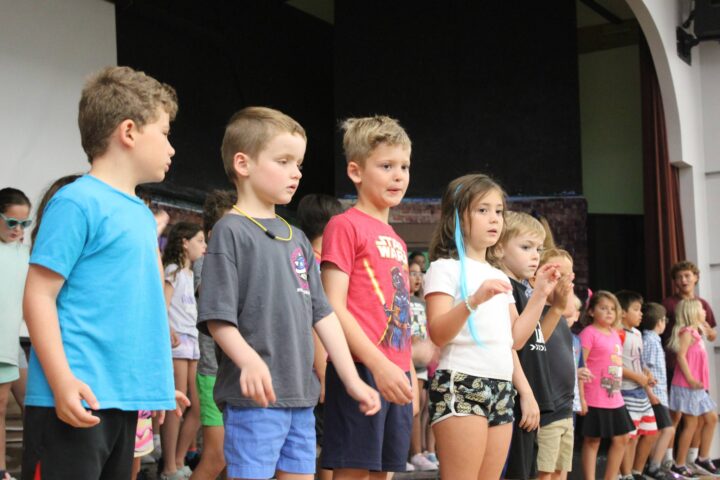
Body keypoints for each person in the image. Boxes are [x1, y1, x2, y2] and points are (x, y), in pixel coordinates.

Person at [198, 107, 380, 480]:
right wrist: (248, 360)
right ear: (243, 163)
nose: (296, 171)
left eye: (298, 162)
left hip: (301, 398)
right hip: (255, 401)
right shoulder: (229, 232)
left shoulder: (295, 237)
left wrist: (349, 378)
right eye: (283, 161)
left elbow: (323, 314)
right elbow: (218, 317)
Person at [21, 66, 179, 479]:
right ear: (128, 131)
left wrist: (156, 387)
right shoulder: (77, 202)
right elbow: (39, 296)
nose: (172, 147)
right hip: (76, 398)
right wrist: (61, 382)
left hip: (125, 400)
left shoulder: (143, 217)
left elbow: (140, 309)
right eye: (164, 133)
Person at [423, 173, 561, 479]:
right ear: (458, 216)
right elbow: (438, 332)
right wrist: (473, 300)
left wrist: (539, 295)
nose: (494, 219)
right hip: (461, 381)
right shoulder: (445, 268)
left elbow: (515, 340)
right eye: (482, 210)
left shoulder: (498, 275)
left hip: (500, 386)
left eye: (498, 211)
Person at [318, 115, 416, 479]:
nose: (398, 175)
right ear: (356, 172)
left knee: (384, 473)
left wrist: (405, 373)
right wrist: (378, 365)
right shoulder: (344, 225)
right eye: (386, 165)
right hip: (361, 367)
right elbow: (332, 305)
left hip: (396, 371)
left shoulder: (398, 239)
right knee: (354, 472)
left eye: (404, 166)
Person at [491, 212, 567, 480]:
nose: (535, 255)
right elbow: (512, 342)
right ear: (499, 248)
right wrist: (525, 393)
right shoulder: (503, 288)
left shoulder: (523, 289)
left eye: (538, 249)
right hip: (515, 400)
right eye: (526, 247)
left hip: (529, 401)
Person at [295, 192, 343, 480]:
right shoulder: (319, 265)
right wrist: (324, 373)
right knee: (326, 446)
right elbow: (316, 322)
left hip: (316, 366)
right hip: (321, 367)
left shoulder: (304, 259)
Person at [190, 189, 236, 480]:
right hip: (212, 373)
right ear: (209, 233)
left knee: (235, 457)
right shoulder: (204, 264)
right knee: (216, 457)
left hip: (235, 376)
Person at [160, 222, 207, 480]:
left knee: (197, 405)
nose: (204, 246)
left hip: (193, 341)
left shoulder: (191, 275)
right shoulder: (173, 272)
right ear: (184, 242)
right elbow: (162, 305)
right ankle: (168, 466)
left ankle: (178, 459)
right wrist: (168, 329)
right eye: (199, 240)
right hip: (177, 343)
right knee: (177, 403)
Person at [578, 291, 634, 480]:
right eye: (603, 308)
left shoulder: (615, 333)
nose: (609, 312)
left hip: (614, 396)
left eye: (612, 309)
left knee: (622, 438)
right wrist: (582, 398)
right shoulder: (588, 333)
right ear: (592, 311)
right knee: (593, 440)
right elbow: (579, 365)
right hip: (594, 396)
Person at [535, 249, 577, 480]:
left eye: (569, 277)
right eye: (558, 276)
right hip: (546, 411)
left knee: (561, 470)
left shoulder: (560, 316)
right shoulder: (538, 312)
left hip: (565, 409)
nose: (565, 284)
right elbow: (535, 345)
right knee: (544, 472)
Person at [0, 188, 32, 480]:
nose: (18, 229)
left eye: (24, 223)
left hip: (13, 343)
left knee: (33, 406)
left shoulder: (25, 254)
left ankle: (37, 466)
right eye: (12, 222)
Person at [667, 298, 718, 478]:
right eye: (702, 310)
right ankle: (679, 464)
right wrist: (690, 379)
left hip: (698, 387)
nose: (705, 312)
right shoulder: (686, 332)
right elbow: (681, 357)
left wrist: (705, 326)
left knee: (711, 418)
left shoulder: (697, 332)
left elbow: (712, 335)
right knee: (690, 423)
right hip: (687, 385)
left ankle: (702, 458)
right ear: (692, 313)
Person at [614, 290, 658, 480]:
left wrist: (646, 374)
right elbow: (614, 364)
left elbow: (638, 360)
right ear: (622, 312)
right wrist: (636, 376)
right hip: (626, 391)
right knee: (630, 437)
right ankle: (626, 474)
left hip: (640, 392)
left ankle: (636, 471)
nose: (641, 314)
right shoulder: (617, 334)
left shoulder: (638, 333)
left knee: (648, 432)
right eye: (636, 309)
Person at [407, 262, 438, 472]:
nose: (417, 278)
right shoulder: (402, 300)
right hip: (406, 358)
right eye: (412, 273)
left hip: (421, 362)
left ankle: (419, 453)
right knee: (409, 409)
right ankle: (408, 453)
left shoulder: (423, 302)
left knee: (420, 408)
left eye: (420, 273)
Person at [639, 302, 676, 479]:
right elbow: (646, 370)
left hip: (658, 395)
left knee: (659, 430)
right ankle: (653, 466)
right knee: (668, 429)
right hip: (656, 396)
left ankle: (652, 464)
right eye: (665, 320)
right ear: (660, 321)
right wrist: (650, 393)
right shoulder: (651, 342)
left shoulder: (652, 339)